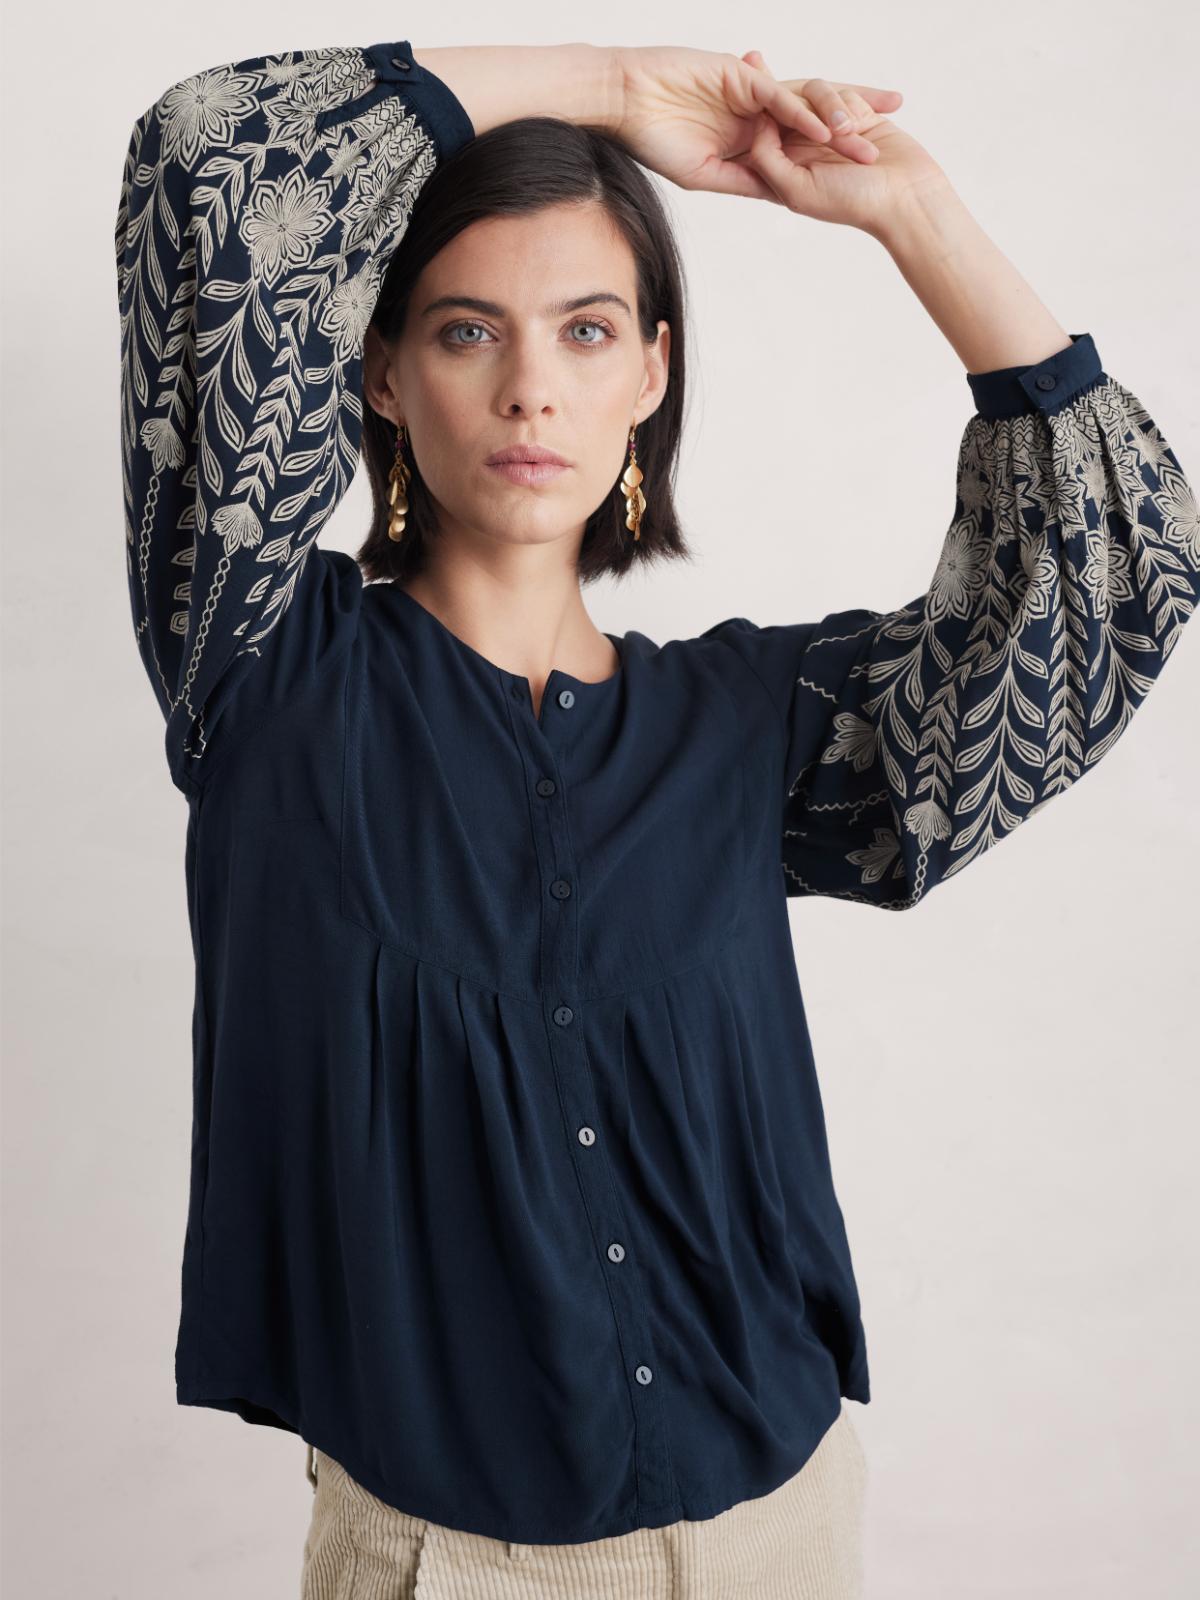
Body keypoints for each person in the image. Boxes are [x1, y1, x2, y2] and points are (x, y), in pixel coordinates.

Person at [115, 38, 1199, 1599]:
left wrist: (914, 214)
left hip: (782, 1529)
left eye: (588, 328)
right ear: (380, 371)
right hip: (450, 1559)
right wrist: (614, 92)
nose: (532, 385)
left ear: (650, 373)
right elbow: (211, 156)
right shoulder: (273, 678)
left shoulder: (748, 729)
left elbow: (1116, 584)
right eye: (468, 329)